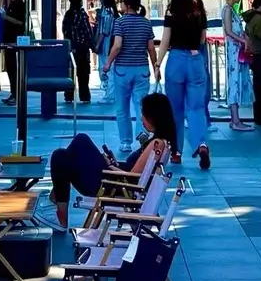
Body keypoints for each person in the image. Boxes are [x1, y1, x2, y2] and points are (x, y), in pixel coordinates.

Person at [48, 92, 176, 226]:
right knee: (61, 156)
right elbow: (136, 173)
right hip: (116, 181)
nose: (141, 118)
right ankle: (59, 211)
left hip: (112, 185)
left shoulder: (156, 144)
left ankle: (55, 204)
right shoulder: (162, 142)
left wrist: (110, 166)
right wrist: (114, 164)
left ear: (153, 117)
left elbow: (134, 177)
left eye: (143, 114)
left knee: (79, 141)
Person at [158, 0, 211, 169]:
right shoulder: (200, 11)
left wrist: (157, 63)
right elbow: (203, 39)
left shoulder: (172, 11)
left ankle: (176, 152)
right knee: (196, 108)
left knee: (176, 109)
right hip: (196, 60)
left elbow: (165, 41)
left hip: (176, 60)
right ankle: (201, 144)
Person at [102, 0, 158, 155]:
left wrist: (108, 63)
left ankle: (125, 142)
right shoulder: (146, 23)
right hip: (142, 70)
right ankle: (141, 132)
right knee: (141, 105)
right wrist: (156, 67)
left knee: (122, 107)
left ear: (126, 4)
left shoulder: (120, 23)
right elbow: (151, 48)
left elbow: (117, 46)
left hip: (123, 71)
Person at [221, 0, 253, 130]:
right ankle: (235, 120)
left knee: (235, 81)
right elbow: (228, 31)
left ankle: (235, 118)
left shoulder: (231, 9)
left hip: (236, 50)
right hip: (233, 51)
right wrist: (242, 40)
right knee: (234, 81)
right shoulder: (228, 10)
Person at [61, 0, 94, 104]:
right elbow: (87, 31)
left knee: (71, 73)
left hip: (71, 48)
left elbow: (64, 31)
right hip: (82, 48)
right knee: (83, 73)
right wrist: (92, 45)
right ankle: (84, 97)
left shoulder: (68, 14)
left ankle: (68, 96)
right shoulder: (82, 14)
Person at [92, 0, 117, 97]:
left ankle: (110, 94)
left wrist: (98, 44)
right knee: (105, 67)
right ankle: (109, 92)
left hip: (106, 42)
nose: (100, 0)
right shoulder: (108, 10)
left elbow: (104, 30)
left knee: (106, 67)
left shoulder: (107, 11)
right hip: (106, 41)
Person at [1, 0, 27, 99]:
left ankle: (16, 94)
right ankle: (14, 93)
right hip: (8, 40)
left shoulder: (20, 5)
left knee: (14, 67)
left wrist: (5, 17)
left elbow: (20, 22)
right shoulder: (10, 4)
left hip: (15, 40)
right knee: (10, 67)